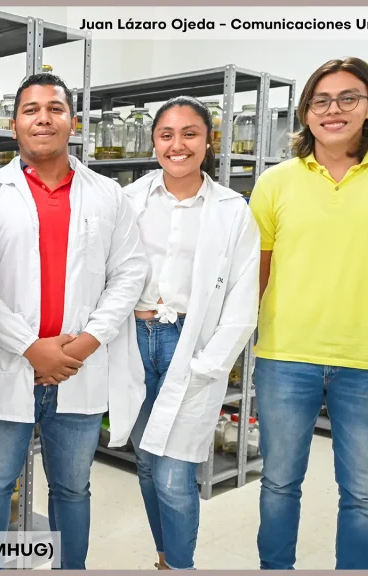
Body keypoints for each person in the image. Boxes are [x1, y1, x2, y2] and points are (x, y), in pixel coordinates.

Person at [249, 57, 368, 570]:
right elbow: (258, 273)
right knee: (279, 484)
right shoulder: (275, 182)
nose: (334, 110)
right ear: (306, 112)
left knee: (363, 492)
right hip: (285, 357)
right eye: (321, 100)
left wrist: (367, 305)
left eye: (348, 97)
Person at [0, 73, 148, 570]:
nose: (42, 118)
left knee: (73, 487)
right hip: (6, 364)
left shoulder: (108, 193)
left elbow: (129, 273)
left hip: (78, 371)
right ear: (13, 123)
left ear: (74, 121)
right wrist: (30, 346)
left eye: (54, 108)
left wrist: (86, 343)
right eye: (30, 109)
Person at [122, 97, 260, 570]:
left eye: (189, 134)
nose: (177, 145)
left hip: (191, 344)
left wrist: (209, 364)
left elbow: (244, 299)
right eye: (166, 135)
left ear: (208, 140)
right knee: (145, 463)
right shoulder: (130, 200)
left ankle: (180, 565)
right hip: (135, 344)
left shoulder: (232, 210)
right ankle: (164, 558)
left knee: (175, 473)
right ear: (154, 141)